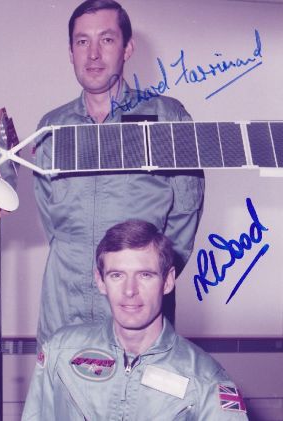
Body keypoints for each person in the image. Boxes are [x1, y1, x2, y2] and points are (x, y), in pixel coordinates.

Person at [33, 0, 205, 347]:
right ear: (71, 52)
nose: (93, 54)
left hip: (136, 302)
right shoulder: (52, 126)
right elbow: (50, 217)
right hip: (64, 300)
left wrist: (149, 278)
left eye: (107, 40)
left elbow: (187, 211)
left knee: (138, 382)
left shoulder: (166, 118)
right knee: (60, 379)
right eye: (82, 41)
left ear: (127, 48)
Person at [22, 219, 248, 420]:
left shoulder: (205, 378)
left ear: (168, 281)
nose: (130, 290)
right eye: (117, 275)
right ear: (100, 281)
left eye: (145, 275)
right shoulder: (60, 352)